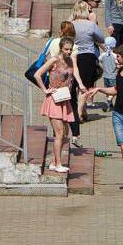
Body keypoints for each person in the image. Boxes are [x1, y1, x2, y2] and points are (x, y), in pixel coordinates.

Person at [83, 44, 123, 189]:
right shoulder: (119, 72)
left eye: (118, 56)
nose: (116, 58)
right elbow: (116, 90)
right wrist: (99, 89)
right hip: (117, 115)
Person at [35, 37, 84, 173]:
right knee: (59, 133)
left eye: (70, 49)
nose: (68, 52)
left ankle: (53, 162)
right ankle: (58, 164)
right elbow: (37, 74)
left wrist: (81, 85)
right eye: (66, 49)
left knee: (65, 132)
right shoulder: (54, 60)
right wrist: (45, 89)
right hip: (55, 99)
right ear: (61, 48)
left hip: (65, 99)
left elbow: (74, 74)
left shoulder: (70, 61)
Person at [70, 3, 105, 122]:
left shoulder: (70, 25)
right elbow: (101, 38)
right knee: (85, 87)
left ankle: (82, 111)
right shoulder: (91, 25)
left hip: (72, 55)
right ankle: (79, 113)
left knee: (75, 85)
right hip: (87, 57)